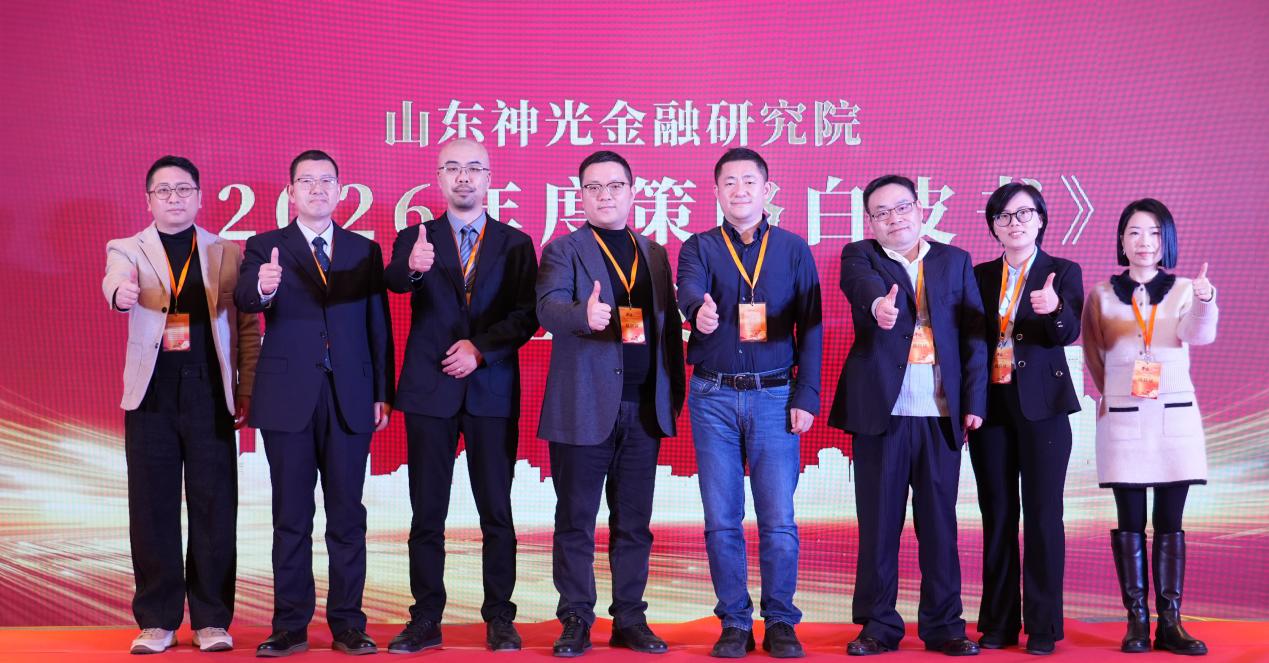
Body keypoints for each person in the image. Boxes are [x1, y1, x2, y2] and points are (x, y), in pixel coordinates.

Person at [234, 150, 394, 657]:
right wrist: (263, 288)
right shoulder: (264, 247)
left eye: (327, 181)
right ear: (291, 192)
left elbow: (378, 325)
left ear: (341, 191)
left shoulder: (363, 250)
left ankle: (348, 624)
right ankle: (289, 626)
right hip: (288, 398)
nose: (317, 189)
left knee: (347, 516)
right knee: (291, 516)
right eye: (307, 181)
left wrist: (382, 391)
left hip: (350, 396)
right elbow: (244, 298)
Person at [383, 138, 538, 653]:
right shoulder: (415, 237)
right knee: (427, 513)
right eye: (453, 168)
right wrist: (414, 267)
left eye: (474, 168)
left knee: (497, 512)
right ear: (439, 178)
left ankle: (500, 616)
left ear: (489, 178)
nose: (464, 177)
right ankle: (426, 617)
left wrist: (481, 349)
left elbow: (527, 316)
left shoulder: (516, 243)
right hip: (430, 390)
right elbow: (394, 281)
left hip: (491, 390)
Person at [103, 155, 259, 654]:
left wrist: (247, 388)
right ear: (148, 199)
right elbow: (115, 281)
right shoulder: (127, 248)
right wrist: (121, 293)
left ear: (199, 196)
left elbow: (246, 326)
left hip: (209, 391)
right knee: (152, 506)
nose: (174, 198)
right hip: (151, 393)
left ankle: (212, 619)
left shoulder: (225, 251)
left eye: (184, 189)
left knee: (215, 505)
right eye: (164, 190)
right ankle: (157, 620)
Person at [828, 174, 987, 657]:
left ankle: (945, 626)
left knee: (940, 525)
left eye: (901, 208)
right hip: (883, 414)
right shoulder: (860, 256)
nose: (893, 218)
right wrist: (880, 305)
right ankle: (878, 625)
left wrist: (974, 403)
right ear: (869, 221)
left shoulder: (954, 261)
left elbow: (974, 336)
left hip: (940, 414)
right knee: (879, 525)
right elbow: (862, 287)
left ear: (920, 210)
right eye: (881, 213)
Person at [535, 150, 685, 657]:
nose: (605, 195)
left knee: (634, 524)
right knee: (576, 521)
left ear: (632, 191)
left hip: (643, 409)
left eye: (615, 186)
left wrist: (671, 398)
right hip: (582, 407)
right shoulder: (563, 249)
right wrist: (584, 314)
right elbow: (547, 308)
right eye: (594, 187)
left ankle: (630, 620)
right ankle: (576, 618)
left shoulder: (655, 253)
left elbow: (667, 330)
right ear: (580, 195)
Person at [676, 147, 822, 659]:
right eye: (729, 182)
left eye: (749, 181)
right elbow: (689, 288)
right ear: (716, 191)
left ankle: (780, 620)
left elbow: (812, 326)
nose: (739, 190)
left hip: (775, 395)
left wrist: (807, 394)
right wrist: (698, 311)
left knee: (778, 519)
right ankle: (734, 621)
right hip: (712, 396)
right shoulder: (698, 246)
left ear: (767, 190)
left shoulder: (793, 249)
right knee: (721, 518)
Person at [1082, 198, 1217, 656]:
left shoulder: (1185, 289)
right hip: (1123, 421)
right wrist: (1118, 395)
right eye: (1135, 232)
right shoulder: (1101, 294)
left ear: (1167, 240)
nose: (1145, 242)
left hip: (1174, 420)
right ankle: (1137, 622)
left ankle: (1171, 622)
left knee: (1170, 523)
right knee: (1130, 522)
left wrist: (1205, 301)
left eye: (1155, 233)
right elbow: (1095, 357)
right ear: (1121, 240)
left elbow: (1198, 334)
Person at [968, 183, 1083, 655]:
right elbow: (969, 342)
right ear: (993, 226)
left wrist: (1054, 309)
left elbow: (1067, 332)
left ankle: (1042, 625)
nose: (1014, 223)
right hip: (991, 408)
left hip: (1044, 409)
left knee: (1043, 516)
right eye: (1003, 216)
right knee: (997, 515)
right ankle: (998, 622)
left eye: (1024, 214)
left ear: (1041, 220)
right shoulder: (978, 275)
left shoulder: (1062, 271)